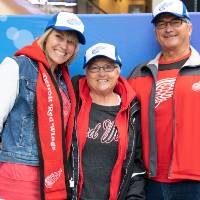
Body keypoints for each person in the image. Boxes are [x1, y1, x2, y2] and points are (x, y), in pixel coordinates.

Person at [0, 11, 85, 200]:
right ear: (46, 36)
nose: (64, 46)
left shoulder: (63, 80)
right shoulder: (16, 67)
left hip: (52, 177)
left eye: (71, 42)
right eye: (59, 37)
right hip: (18, 175)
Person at [128, 0, 200, 199]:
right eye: (162, 24)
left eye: (175, 22)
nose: (169, 29)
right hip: (150, 181)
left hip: (195, 181)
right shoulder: (138, 74)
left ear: (189, 27)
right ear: (155, 32)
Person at [71, 43, 146, 200]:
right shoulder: (71, 101)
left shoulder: (132, 109)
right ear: (86, 72)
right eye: (95, 68)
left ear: (118, 71)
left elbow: (136, 164)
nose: (102, 73)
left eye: (108, 67)